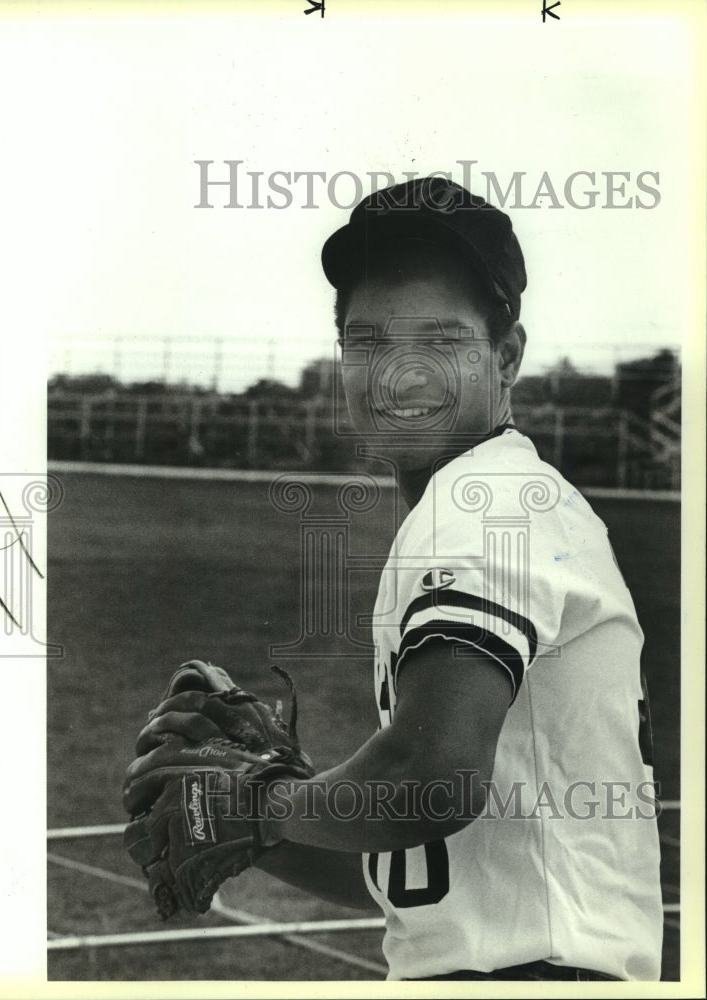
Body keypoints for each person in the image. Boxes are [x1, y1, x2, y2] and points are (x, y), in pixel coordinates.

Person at [246, 176, 663, 981]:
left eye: (438, 342)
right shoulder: (495, 497)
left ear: (506, 358)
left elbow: (428, 780)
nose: (400, 375)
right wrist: (256, 835)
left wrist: (243, 804)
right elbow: (426, 872)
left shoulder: (481, 507)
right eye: (368, 343)